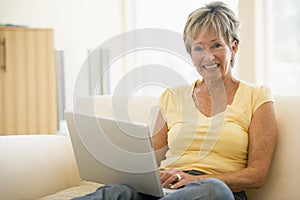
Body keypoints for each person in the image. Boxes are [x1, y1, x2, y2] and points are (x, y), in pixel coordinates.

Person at [72, 1, 278, 200]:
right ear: (190, 54)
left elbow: (256, 175)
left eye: (216, 45)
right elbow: (149, 159)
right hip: (168, 190)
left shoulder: (257, 97)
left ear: (233, 48)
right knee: (116, 192)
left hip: (215, 192)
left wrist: (192, 180)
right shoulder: (172, 97)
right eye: (198, 48)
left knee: (213, 190)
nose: (208, 57)